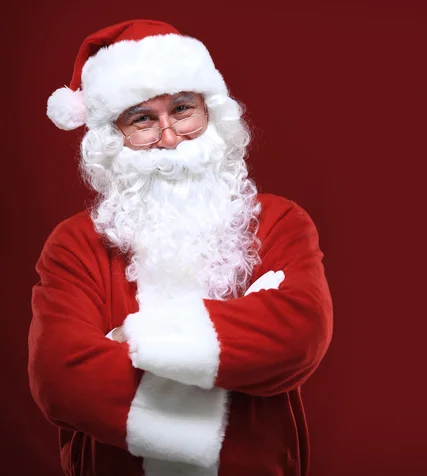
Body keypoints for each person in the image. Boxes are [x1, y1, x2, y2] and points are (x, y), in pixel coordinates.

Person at [28, 19, 333, 476]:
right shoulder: (75, 244)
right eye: (143, 119)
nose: (169, 137)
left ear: (211, 114)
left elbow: (298, 335)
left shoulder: (278, 222)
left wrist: (132, 337)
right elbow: (61, 377)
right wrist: (230, 349)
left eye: (183, 110)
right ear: (114, 138)